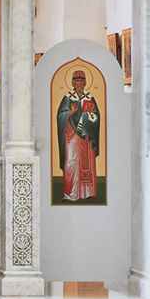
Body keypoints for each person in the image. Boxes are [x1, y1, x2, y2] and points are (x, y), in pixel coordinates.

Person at [55, 70, 100, 201]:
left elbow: (97, 116)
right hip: (71, 135)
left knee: (87, 163)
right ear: (73, 83)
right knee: (70, 162)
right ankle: (69, 194)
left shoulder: (89, 98)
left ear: (85, 82)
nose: (79, 84)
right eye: (77, 81)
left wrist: (89, 116)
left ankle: (86, 193)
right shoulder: (68, 98)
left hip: (86, 137)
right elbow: (60, 116)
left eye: (82, 81)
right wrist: (70, 112)